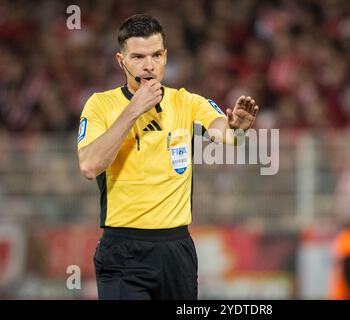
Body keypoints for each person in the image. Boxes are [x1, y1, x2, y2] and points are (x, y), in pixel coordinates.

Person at [77, 14, 259, 300]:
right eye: (138, 57)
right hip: (123, 251)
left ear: (165, 56)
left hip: (176, 250)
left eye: (156, 55)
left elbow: (222, 131)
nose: (149, 65)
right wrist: (133, 111)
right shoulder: (101, 105)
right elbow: (89, 165)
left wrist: (237, 129)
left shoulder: (185, 101)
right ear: (120, 60)